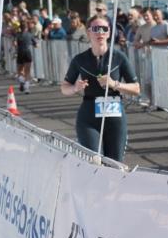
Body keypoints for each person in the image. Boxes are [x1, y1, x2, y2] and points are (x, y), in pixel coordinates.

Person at [60, 15, 140, 162]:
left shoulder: (119, 57)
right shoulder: (80, 59)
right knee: (94, 162)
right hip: (88, 117)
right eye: (96, 29)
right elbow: (64, 87)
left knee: (115, 165)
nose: (100, 33)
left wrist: (115, 84)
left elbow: (136, 88)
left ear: (109, 33)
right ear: (88, 32)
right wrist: (75, 88)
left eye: (104, 29)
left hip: (114, 116)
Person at [15, 19, 37, 93]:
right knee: (27, 71)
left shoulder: (17, 34)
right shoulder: (30, 34)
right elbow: (35, 44)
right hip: (27, 53)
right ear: (26, 27)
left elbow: (14, 43)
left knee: (19, 71)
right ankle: (26, 87)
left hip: (20, 53)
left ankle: (21, 80)